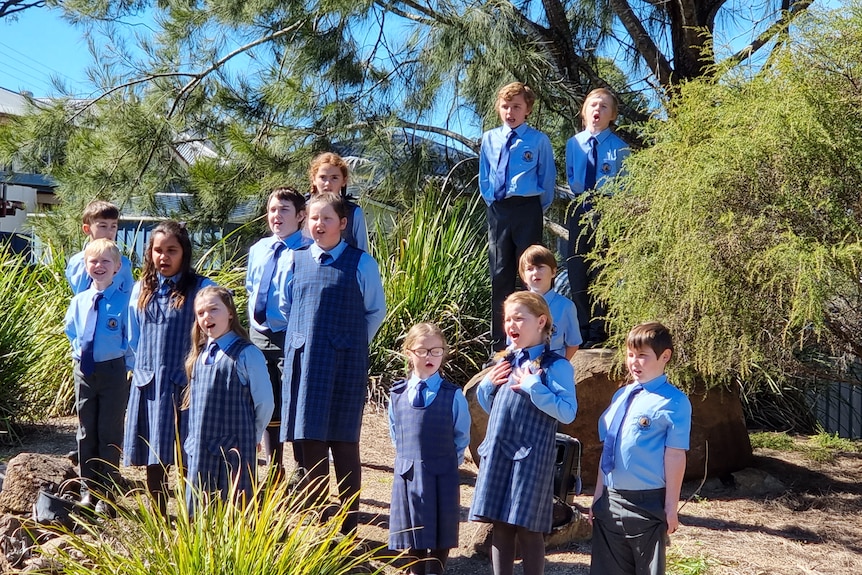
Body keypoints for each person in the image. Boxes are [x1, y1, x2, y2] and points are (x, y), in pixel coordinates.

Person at [276, 192, 386, 534]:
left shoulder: (361, 262)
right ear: (305, 223)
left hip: (344, 365)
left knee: (344, 443)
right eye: (313, 218)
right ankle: (320, 526)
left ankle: (348, 526)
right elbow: (284, 308)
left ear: (342, 223)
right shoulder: (293, 260)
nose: (319, 224)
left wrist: (350, 342)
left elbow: (375, 311)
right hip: (304, 363)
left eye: (327, 218)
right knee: (309, 442)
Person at [469, 291, 577, 575]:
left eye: (519, 318)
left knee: (529, 528)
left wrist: (534, 386)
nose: (511, 325)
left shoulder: (556, 366)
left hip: (532, 458)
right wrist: (486, 387)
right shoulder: (504, 361)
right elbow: (496, 407)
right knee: (501, 525)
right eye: (507, 319)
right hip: (499, 451)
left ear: (541, 321)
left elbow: (567, 412)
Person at [123, 220, 215, 515]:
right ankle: (160, 516)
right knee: (155, 457)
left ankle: (192, 516)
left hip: (187, 385)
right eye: (158, 251)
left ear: (184, 253)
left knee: (189, 454)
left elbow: (214, 336)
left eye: (171, 250)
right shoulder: (141, 289)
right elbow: (134, 338)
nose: (164, 257)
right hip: (150, 384)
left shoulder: (202, 289)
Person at [589, 321, 692, 575]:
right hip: (611, 500)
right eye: (630, 355)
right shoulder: (621, 395)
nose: (634, 362)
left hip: (647, 503)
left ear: (664, 356)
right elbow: (609, 449)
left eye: (643, 356)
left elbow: (675, 455)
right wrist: (598, 496)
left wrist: (670, 507)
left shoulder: (674, 402)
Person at [478, 82, 556, 352]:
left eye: (516, 107)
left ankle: (534, 337)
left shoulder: (538, 140)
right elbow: (485, 175)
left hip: (527, 207)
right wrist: (492, 201)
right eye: (505, 106)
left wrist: (535, 208)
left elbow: (547, 179)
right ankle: (499, 342)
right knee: (500, 273)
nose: (510, 112)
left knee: (529, 273)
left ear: (528, 110)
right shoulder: (489, 138)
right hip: (499, 209)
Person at [182, 286, 274, 514]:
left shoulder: (247, 354)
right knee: (201, 511)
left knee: (235, 509)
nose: (207, 317)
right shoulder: (201, 356)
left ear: (230, 313)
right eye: (200, 313)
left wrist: (254, 434)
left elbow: (265, 402)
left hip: (234, 449)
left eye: (214, 309)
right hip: (201, 448)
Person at [388, 323, 471, 575]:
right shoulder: (396, 394)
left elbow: (461, 435)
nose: (429, 357)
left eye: (436, 351)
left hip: (441, 474)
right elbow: (395, 432)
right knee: (413, 535)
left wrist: (448, 462)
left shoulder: (453, 395)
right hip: (408, 473)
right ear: (408, 352)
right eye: (422, 351)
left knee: (440, 533)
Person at [245, 187, 311, 483]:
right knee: (265, 399)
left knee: (293, 400)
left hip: (289, 336)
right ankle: (273, 468)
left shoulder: (307, 252)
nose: (276, 215)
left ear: (300, 216)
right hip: (258, 335)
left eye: (284, 210)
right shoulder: (259, 249)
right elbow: (251, 287)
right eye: (272, 209)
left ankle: (301, 470)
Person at [63, 238, 131, 515]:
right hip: (85, 370)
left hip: (114, 370)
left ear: (117, 267)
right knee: (85, 431)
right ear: (86, 265)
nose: (99, 266)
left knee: (109, 431)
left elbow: (132, 337)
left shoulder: (126, 300)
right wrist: (77, 354)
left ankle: (108, 494)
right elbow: (71, 331)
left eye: (106, 261)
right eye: (94, 261)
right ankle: (87, 490)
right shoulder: (80, 300)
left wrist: (130, 367)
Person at [564, 88, 630, 347]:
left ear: (612, 115)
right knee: (577, 268)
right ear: (584, 110)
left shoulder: (620, 148)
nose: (597, 111)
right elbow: (572, 177)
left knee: (602, 270)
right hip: (580, 206)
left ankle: (599, 330)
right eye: (593, 105)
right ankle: (581, 329)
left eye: (604, 107)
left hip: (608, 209)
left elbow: (626, 185)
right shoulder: (574, 144)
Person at [518, 244, 581, 360]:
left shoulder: (566, 306)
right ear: (523, 276)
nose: (535, 272)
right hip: (523, 366)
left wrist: (561, 365)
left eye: (541, 267)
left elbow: (573, 343)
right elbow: (511, 343)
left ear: (553, 272)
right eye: (530, 269)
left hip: (553, 365)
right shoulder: (518, 306)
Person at [66, 200, 134, 295]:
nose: (110, 231)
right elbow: (80, 294)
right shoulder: (78, 262)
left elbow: (129, 295)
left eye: (113, 226)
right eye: (103, 226)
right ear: (87, 229)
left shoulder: (123, 263)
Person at [308, 151, 369, 251]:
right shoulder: (301, 210)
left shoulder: (354, 213)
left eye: (334, 178)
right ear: (314, 179)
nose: (327, 183)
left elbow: (363, 250)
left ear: (344, 181)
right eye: (323, 177)